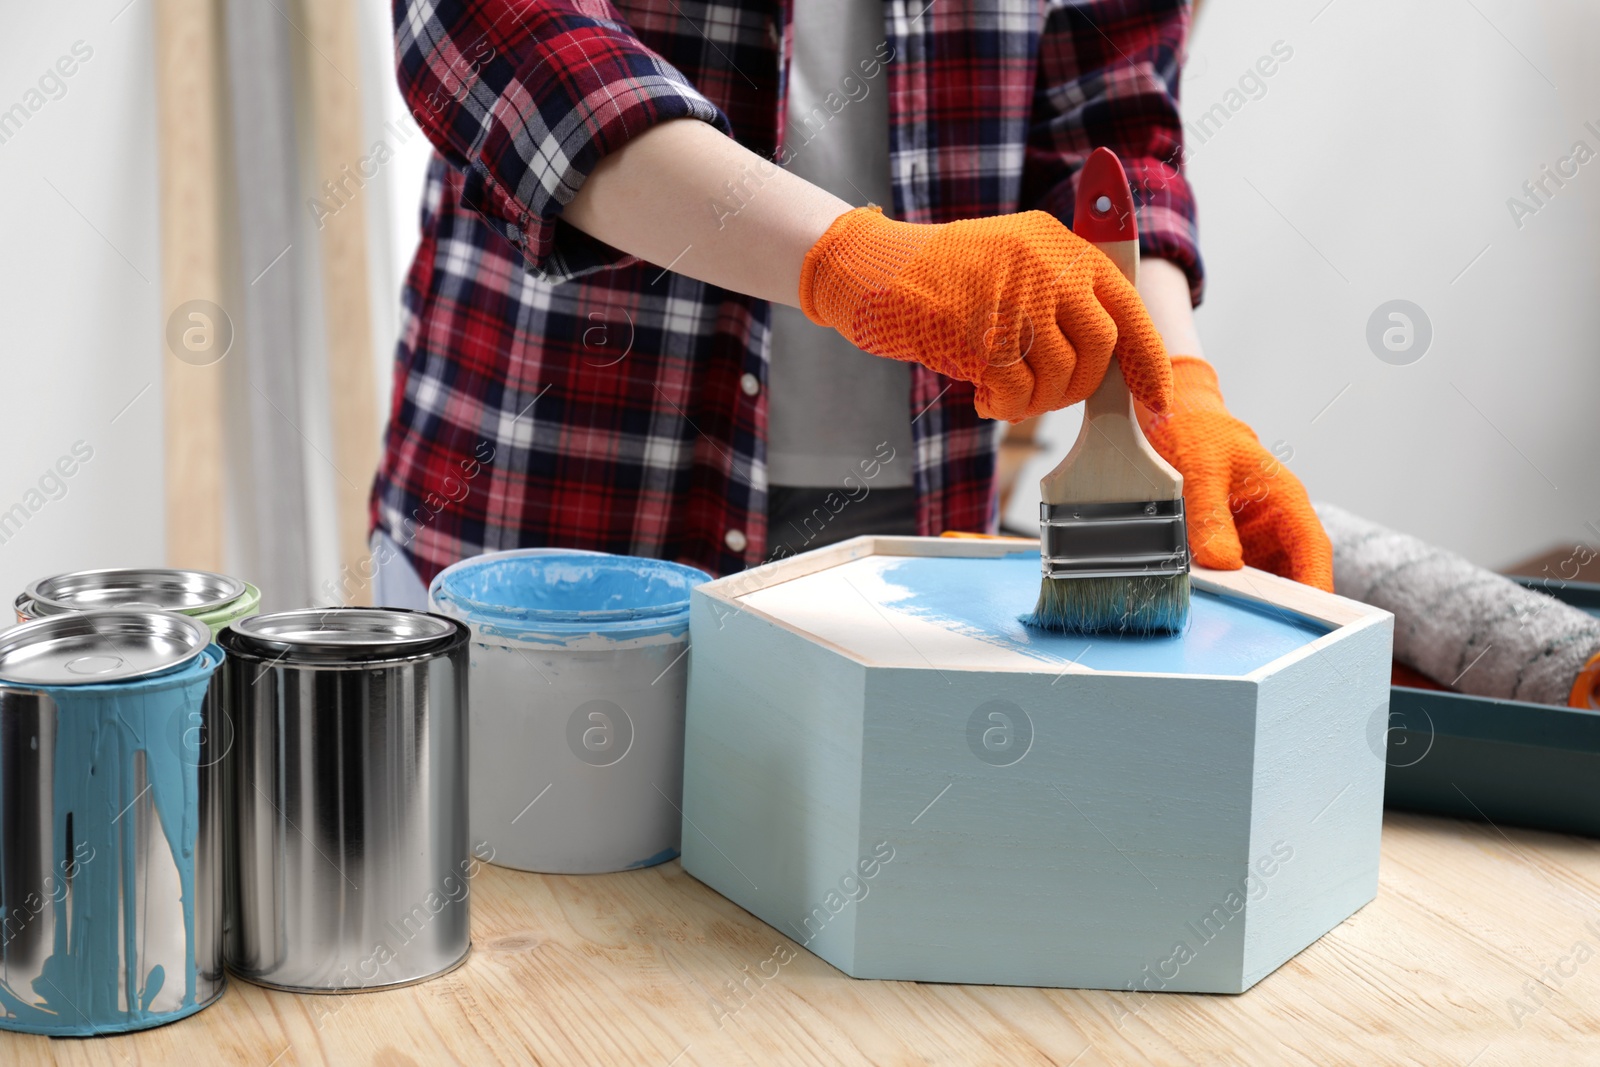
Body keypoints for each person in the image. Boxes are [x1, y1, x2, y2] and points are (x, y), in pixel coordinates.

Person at [368, 0, 1331, 608]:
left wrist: (1179, 387)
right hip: (551, 505)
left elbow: (1112, 118)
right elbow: (496, 32)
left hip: (908, 529)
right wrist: (852, 263)